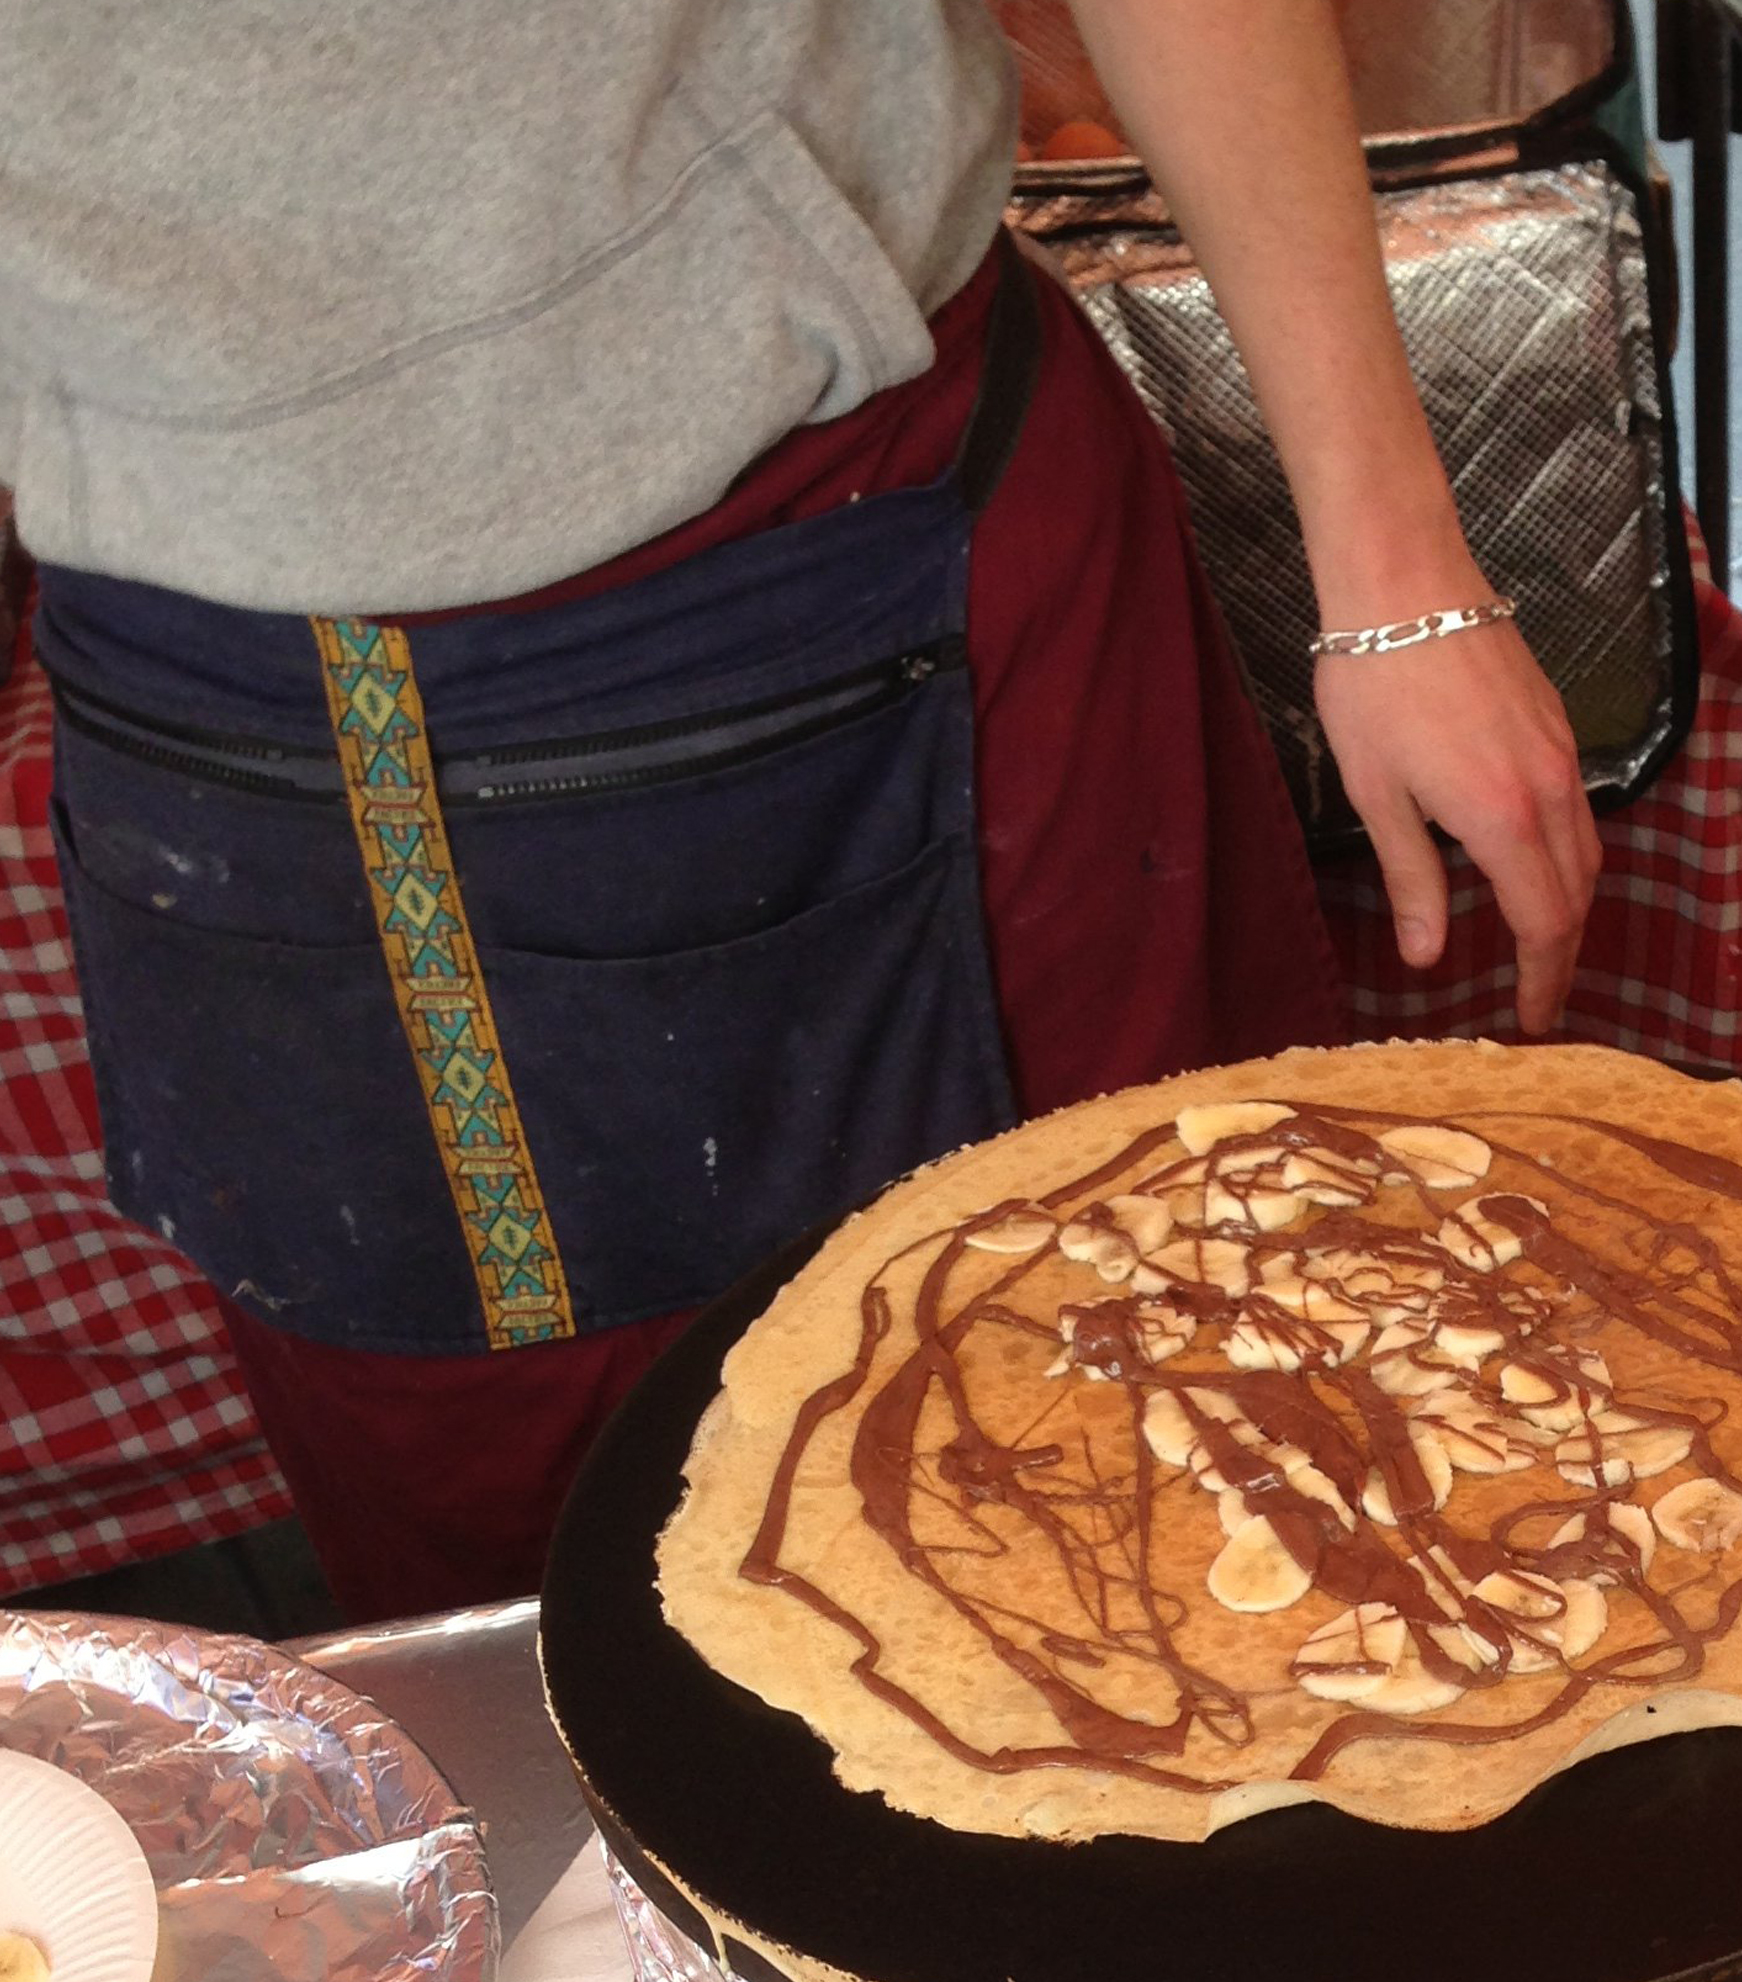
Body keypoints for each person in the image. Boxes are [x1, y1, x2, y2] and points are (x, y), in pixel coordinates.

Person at [1, 0, 1600, 1619]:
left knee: (1207, 1413)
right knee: (564, 1609)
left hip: (875, 505)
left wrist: (1400, 577)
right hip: (241, 697)